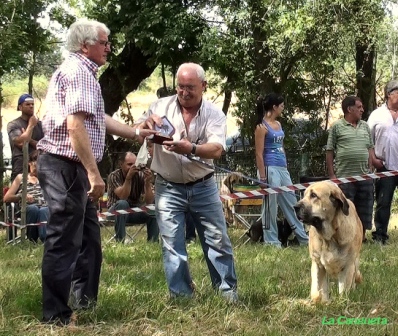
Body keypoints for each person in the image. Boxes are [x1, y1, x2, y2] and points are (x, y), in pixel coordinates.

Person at [36, 19, 156, 326]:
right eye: (104, 42)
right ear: (85, 45)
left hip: (70, 167)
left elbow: (97, 117)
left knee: (89, 239)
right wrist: (93, 173)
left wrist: (134, 132)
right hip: (67, 167)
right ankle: (56, 316)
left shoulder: (82, 73)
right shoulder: (79, 72)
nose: (109, 47)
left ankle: (84, 303)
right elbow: (75, 125)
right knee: (64, 240)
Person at [136, 62, 238, 302]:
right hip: (167, 186)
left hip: (203, 185)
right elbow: (136, 129)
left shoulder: (214, 114)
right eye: (180, 87)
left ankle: (227, 294)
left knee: (217, 241)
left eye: (190, 87)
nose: (184, 92)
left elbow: (216, 150)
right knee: (172, 244)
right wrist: (144, 126)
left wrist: (190, 148)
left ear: (203, 86)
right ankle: (181, 296)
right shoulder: (159, 107)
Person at [254, 93, 309, 248]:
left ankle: (303, 238)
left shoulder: (278, 124)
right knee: (270, 205)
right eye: (282, 105)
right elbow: (258, 153)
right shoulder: (261, 127)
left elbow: (281, 146)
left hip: (281, 167)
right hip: (269, 168)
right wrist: (263, 178)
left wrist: (285, 165)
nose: (283, 108)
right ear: (274, 107)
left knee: (292, 202)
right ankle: (271, 241)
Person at [326, 95, 375, 242]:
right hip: (344, 178)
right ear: (349, 109)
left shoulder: (365, 126)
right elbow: (329, 151)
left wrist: (371, 166)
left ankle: (362, 237)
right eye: (359, 107)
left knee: (365, 208)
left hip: (365, 176)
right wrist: (332, 175)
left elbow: (370, 148)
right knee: (345, 209)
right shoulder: (336, 127)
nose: (362, 110)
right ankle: (346, 237)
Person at [367, 80, 398, 244]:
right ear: (389, 94)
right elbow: (368, 139)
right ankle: (380, 235)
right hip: (384, 166)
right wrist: (372, 159)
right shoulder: (377, 115)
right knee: (383, 202)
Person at [107, 152, 159, 242]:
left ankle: (153, 242)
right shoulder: (114, 176)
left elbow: (149, 201)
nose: (133, 167)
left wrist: (147, 183)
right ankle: (120, 241)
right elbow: (123, 196)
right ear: (121, 164)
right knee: (123, 203)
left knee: (153, 208)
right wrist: (128, 178)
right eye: (129, 164)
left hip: (134, 211)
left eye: (135, 164)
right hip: (115, 211)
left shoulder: (140, 175)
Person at [4, 150, 48, 242]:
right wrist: (22, 196)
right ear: (29, 163)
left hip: (44, 206)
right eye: (35, 162)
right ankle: (32, 239)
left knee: (44, 210)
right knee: (33, 209)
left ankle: (45, 240)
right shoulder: (21, 177)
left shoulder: (46, 178)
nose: (37, 165)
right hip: (27, 207)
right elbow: (7, 198)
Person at [7, 93, 44, 181]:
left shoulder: (40, 125)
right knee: (19, 192)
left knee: (37, 193)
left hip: (38, 166)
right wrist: (31, 126)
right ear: (20, 107)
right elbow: (21, 143)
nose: (31, 106)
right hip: (20, 165)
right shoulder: (13, 124)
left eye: (32, 104)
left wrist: (29, 139)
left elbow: (44, 146)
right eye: (27, 104)